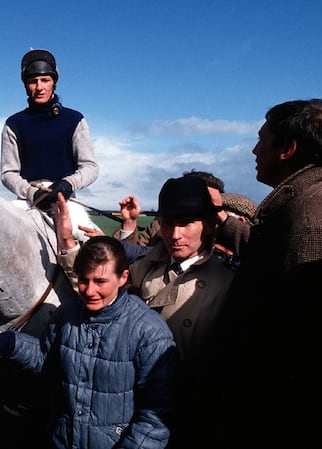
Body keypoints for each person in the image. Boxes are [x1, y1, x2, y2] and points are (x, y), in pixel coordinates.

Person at [214, 99, 322, 448]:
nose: (254, 149)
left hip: (308, 422)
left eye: (261, 138)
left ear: (287, 149)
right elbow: (279, 259)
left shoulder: (316, 224)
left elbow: (306, 355)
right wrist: (222, 224)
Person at [0, 233, 177, 449]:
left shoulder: (150, 332)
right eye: (84, 280)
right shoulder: (67, 313)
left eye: (100, 281)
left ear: (123, 277)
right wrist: (4, 342)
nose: (89, 291)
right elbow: (46, 359)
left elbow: (155, 419)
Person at [124, 177, 234, 448]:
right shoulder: (143, 267)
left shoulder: (230, 280)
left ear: (208, 227)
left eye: (186, 224)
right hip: (137, 397)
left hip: (194, 405)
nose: (175, 235)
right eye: (168, 223)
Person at [0, 48, 101, 241]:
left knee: (96, 248)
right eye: (33, 81)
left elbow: (90, 166)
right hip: (28, 201)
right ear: (25, 85)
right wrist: (31, 192)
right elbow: (8, 173)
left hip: (65, 199)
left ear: (54, 82)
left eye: (45, 80)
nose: (39, 87)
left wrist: (68, 183)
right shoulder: (13, 124)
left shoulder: (75, 119)